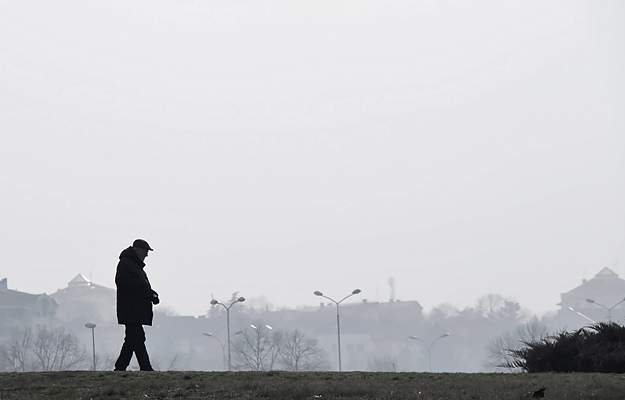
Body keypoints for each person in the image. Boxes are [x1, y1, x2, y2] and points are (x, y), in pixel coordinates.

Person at [114, 239, 160, 371]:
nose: (146, 256)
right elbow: (123, 282)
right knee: (138, 338)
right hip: (131, 310)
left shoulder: (134, 266)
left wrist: (151, 295)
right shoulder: (126, 264)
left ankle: (120, 367)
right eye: (145, 252)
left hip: (134, 310)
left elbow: (142, 286)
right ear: (138, 251)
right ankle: (145, 367)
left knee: (132, 340)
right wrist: (143, 287)